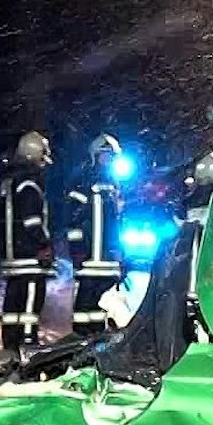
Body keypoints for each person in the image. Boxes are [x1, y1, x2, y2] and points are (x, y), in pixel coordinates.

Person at [64, 133, 126, 336]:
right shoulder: (82, 181)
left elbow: (116, 223)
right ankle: (80, 335)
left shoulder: (115, 184)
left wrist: (118, 249)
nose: (108, 159)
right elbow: (73, 220)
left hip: (108, 257)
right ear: (95, 155)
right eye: (104, 154)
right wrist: (77, 249)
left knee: (102, 300)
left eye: (111, 155)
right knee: (85, 299)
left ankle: (97, 336)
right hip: (89, 256)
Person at [0, 130, 52, 350]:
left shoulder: (10, 182)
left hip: (13, 253)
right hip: (28, 254)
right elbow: (32, 221)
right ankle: (28, 340)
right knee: (31, 298)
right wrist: (43, 243)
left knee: (14, 300)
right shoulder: (29, 184)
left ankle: (11, 340)